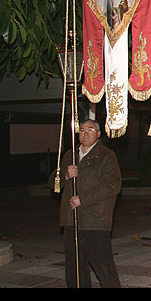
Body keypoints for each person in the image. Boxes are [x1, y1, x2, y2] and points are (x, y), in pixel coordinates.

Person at [50, 119, 122, 288]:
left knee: (103, 266)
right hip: (71, 219)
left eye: (90, 130)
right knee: (75, 268)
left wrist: (83, 199)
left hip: (95, 220)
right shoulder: (70, 155)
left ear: (98, 134)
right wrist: (66, 176)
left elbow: (113, 185)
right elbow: (53, 182)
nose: (85, 133)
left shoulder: (106, 156)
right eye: (82, 130)